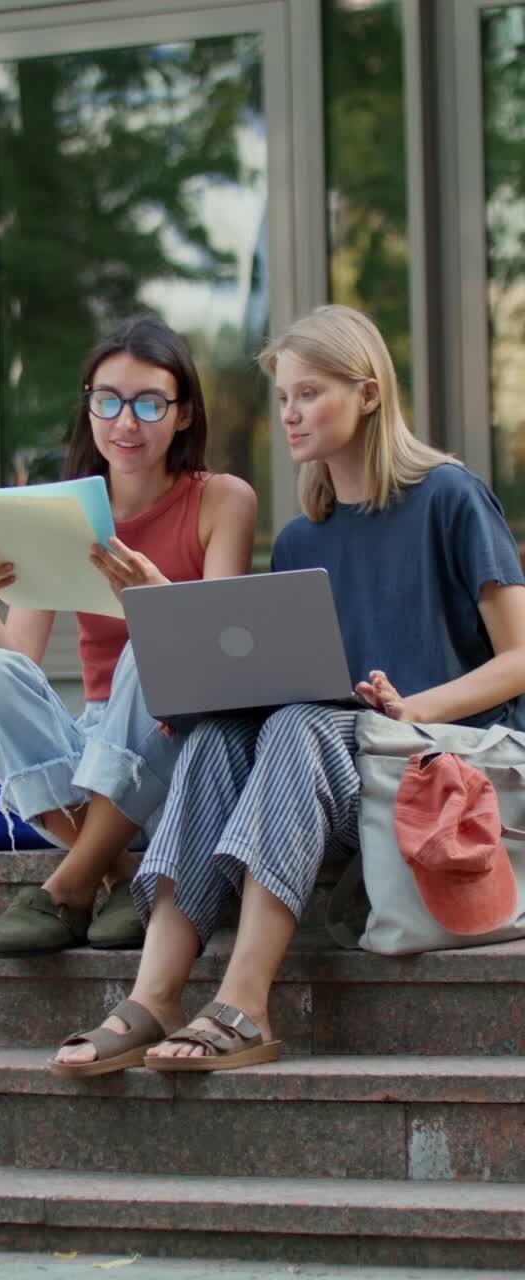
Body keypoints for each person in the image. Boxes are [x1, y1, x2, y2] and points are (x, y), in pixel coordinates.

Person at [50, 302, 525, 1077]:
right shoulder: (305, 537)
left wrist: (417, 706)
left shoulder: (450, 497)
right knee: (218, 737)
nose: (290, 414)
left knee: (301, 725)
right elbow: (293, 679)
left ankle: (244, 1001)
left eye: (310, 393)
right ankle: (156, 994)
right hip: (351, 760)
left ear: (369, 394)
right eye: (282, 398)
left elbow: (521, 658)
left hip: (455, 758)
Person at [0, 314, 257, 956]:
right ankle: (123, 874)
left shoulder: (223, 500)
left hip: (186, 742)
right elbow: (19, 671)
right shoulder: (60, 509)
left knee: (153, 647)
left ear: (184, 414)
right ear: (88, 409)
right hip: (93, 752)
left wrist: (156, 608)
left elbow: (227, 657)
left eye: (149, 403)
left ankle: (66, 889)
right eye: (107, 401)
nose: (126, 422)